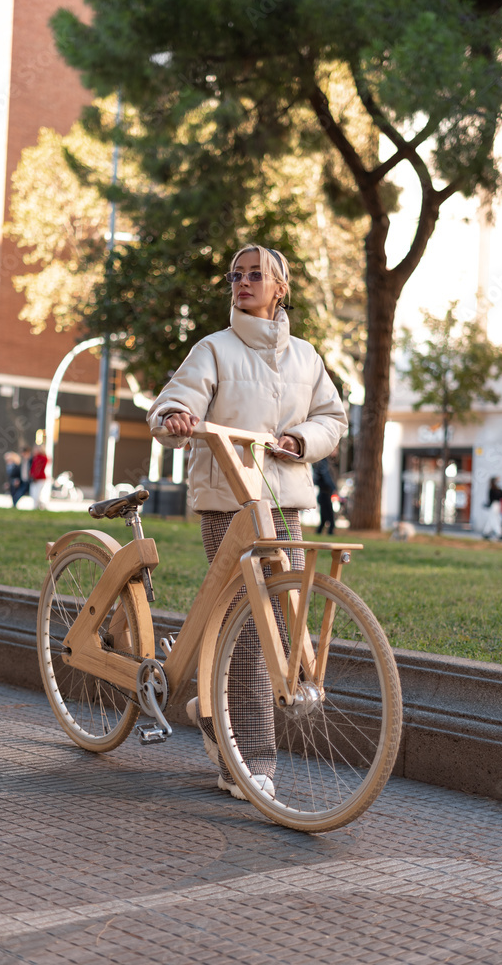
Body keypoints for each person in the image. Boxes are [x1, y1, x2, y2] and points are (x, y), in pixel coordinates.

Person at [147, 244, 347, 800]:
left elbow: (333, 418)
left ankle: (210, 709)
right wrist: (177, 416)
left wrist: (300, 440)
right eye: (236, 275)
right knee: (251, 630)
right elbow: (170, 404)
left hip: (286, 504)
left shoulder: (307, 357)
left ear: (280, 287)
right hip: (228, 502)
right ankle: (250, 761)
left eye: (256, 275)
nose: (243, 283)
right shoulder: (213, 349)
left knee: (285, 618)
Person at [313, 455, 337, 535]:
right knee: (329, 512)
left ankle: (320, 530)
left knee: (324, 513)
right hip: (324, 491)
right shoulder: (324, 462)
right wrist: (333, 488)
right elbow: (326, 477)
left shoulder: (325, 461)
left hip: (324, 492)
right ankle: (330, 529)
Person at [29, 445, 48, 509]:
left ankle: (35, 507)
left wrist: (36, 476)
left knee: (37, 494)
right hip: (34, 479)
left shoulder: (43, 458)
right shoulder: (34, 458)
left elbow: (40, 469)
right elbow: (32, 468)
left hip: (40, 479)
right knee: (33, 494)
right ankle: (41, 505)